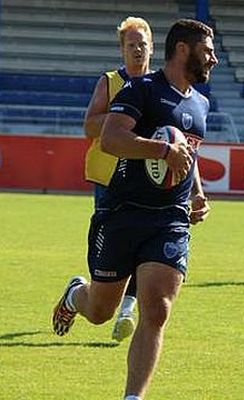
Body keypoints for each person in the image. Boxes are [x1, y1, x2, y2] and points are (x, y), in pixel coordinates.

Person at [53, 18, 216, 400]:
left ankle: (133, 397)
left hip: (170, 221)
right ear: (182, 50)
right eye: (208, 51)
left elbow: (187, 155)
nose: (214, 59)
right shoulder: (141, 89)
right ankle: (76, 295)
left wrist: (197, 192)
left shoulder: (202, 103)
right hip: (124, 212)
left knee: (156, 310)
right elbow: (110, 138)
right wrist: (160, 150)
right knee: (100, 310)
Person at [83, 16, 154, 342]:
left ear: (151, 47)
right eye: (131, 45)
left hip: (146, 178)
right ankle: (86, 293)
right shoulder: (110, 82)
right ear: (122, 50)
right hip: (109, 177)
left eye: (142, 44)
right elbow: (89, 126)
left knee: (144, 244)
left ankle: (126, 309)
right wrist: (122, 119)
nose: (137, 50)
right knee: (110, 248)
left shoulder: (159, 87)